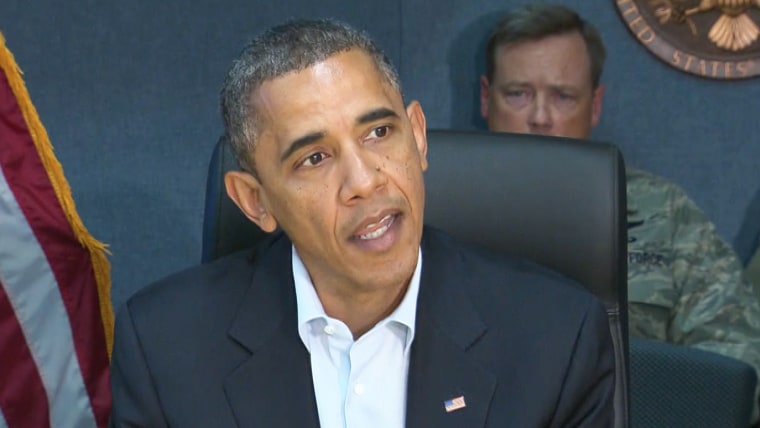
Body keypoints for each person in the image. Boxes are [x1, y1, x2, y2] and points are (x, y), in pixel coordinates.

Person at [109, 18, 615, 427]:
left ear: (418, 136)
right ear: (255, 201)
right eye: (314, 158)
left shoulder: (556, 340)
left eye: (378, 132)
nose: (364, 181)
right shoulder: (165, 349)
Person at [479, 2, 760, 420]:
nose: (540, 117)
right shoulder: (434, 215)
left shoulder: (665, 213)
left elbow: (737, 364)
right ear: (486, 98)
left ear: (595, 105)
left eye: (563, 96)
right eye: (518, 94)